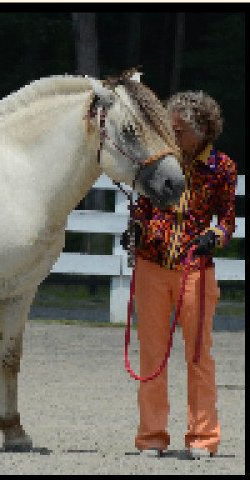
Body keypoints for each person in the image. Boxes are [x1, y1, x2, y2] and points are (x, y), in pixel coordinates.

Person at [121, 90, 237, 459]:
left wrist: (214, 237)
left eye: (180, 130)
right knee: (151, 354)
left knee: (199, 355)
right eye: (170, 129)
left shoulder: (222, 168)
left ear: (203, 129)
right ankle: (151, 435)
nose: (173, 136)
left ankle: (203, 437)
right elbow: (143, 204)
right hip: (151, 264)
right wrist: (135, 228)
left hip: (195, 269)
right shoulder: (160, 162)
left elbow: (228, 220)